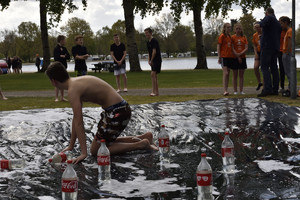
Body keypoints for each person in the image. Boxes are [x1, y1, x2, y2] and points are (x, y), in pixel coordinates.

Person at [45, 62, 158, 163]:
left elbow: (79, 122)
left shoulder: (72, 90)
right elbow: (76, 118)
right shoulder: (75, 83)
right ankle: (144, 137)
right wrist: (71, 145)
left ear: (53, 81)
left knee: (96, 150)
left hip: (116, 112)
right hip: (118, 110)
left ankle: (140, 145)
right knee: (103, 143)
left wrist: (83, 154)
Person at [258, 7, 282, 97]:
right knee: (274, 68)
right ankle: (275, 89)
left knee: (264, 67)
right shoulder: (277, 23)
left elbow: (262, 24)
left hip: (267, 46)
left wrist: (258, 23)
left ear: (266, 13)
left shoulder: (269, 17)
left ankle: (267, 88)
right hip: (275, 47)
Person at [217, 23, 234, 96]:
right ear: (224, 28)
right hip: (223, 57)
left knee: (228, 73)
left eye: (230, 27)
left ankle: (226, 89)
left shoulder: (230, 37)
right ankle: (224, 90)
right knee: (225, 73)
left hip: (229, 56)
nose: (229, 29)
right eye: (228, 27)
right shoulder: (222, 36)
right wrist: (219, 56)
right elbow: (218, 46)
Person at [144, 28, 162, 97]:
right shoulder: (148, 42)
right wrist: (149, 60)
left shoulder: (154, 41)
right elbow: (149, 52)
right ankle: (156, 92)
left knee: (153, 74)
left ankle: (154, 91)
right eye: (145, 33)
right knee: (154, 76)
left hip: (157, 60)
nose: (146, 34)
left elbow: (154, 52)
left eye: (147, 33)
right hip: (152, 60)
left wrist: (151, 60)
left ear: (151, 33)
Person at [231, 23, 248, 95]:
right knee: (235, 75)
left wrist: (240, 54)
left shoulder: (244, 37)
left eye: (239, 29)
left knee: (241, 75)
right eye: (237, 29)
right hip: (235, 57)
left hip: (243, 57)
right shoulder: (232, 37)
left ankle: (241, 90)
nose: (238, 30)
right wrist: (237, 56)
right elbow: (232, 48)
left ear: (241, 30)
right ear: (234, 30)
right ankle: (235, 90)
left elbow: (246, 47)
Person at [54, 35, 70, 102]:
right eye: (64, 40)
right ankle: (56, 97)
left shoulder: (65, 48)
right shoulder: (56, 48)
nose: (65, 41)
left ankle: (62, 97)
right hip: (58, 67)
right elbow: (56, 57)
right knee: (57, 82)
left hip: (64, 66)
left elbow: (68, 56)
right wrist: (62, 56)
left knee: (63, 82)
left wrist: (64, 56)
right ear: (61, 40)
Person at [280, 16, 292, 97]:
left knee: (289, 72)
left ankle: (291, 90)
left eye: (281, 23)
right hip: (285, 53)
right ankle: (290, 89)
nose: (281, 25)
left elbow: (291, 41)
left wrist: (287, 52)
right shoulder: (287, 31)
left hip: (287, 53)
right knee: (287, 72)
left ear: (286, 23)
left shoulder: (290, 31)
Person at [252, 22, 263, 91]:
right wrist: (255, 53)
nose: (257, 28)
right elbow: (255, 45)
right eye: (255, 27)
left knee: (264, 68)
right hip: (258, 52)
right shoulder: (255, 35)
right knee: (256, 67)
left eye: (258, 27)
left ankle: (265, 84)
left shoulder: (264, 33)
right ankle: (259, 82)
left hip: (264, 52)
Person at [278, 19, 287, 94]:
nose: (281, 25)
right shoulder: (278, 31)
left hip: (285, 52)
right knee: (280, 69)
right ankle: (281, 86)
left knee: (285, 69)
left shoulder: (287, 31)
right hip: (279, 51)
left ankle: (286, 87)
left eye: (281, 23)